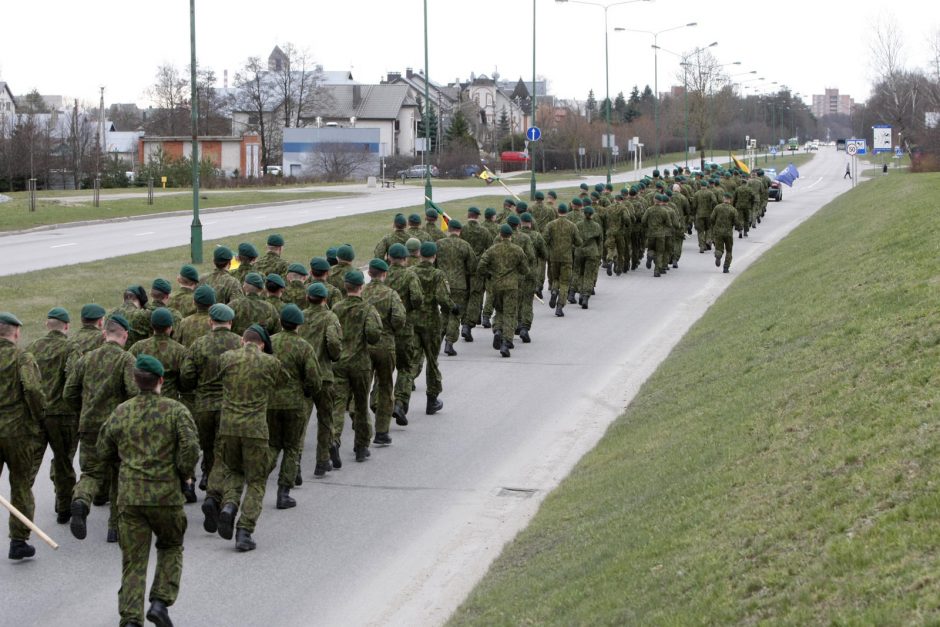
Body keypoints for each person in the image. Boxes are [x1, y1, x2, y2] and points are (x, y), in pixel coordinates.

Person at [97, 354, 198, 627]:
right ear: (160, 381)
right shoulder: (176, 410)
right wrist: (183, 473)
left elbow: (103, 449)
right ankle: (160, 601)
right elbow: (190, 446)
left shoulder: (121, 411)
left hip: (130, 498)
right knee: (171, 545)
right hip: (166, 495)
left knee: (133, 561)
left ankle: (130, 619)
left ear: (135, 380)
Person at [212, 324, 286, 552]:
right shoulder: (270, 363)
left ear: (243, 341)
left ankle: (229, 506)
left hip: (229, 426)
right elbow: (283, 382)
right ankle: (244, 530)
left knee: (232, 470)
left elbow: (218, 378)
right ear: (262, 344)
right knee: (256, 479)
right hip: (255, 428)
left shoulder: (227, 358)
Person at [65, 314, 138, 543]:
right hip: (116, 427)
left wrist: (83, 410)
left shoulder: (86, 359)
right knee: (119, 475)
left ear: (104, 333)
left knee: (91, 473)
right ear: (124, 335)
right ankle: (114, 527)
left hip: (89, 425)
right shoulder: (126, 359)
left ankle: (80, 501)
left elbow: (69, 392)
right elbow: (134, 393)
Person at [180, 303, 241, 518]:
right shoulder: (239, 343)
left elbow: (186, 376)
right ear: (230, 323)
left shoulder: (199, 344)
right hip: (228, 405)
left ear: (210, 322)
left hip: (203, 405)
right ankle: (215, 494)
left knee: (206, 447)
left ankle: (203, 476)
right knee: (222, 452)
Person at [25, 307, 80, 525]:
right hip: (63, 415)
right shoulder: (70, 349)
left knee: (31, 464)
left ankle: (21, 502)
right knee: (63, 462)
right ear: (66, 326)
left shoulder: (31, 348)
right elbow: (73, 382)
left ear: (47, 325)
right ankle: (64, 507)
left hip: (37, 414)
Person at [0, 312, 45, 560]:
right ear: (15, 332)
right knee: (21, 484)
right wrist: (38, 416)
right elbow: (33, 389)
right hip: (18, 431)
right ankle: (18, 540)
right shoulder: (22, 357)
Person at [268, 304, 321, 508]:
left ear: (281, 322)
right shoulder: (304, 346)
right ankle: (284, 492)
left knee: (273, 444)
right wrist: (307, 392)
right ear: (299, 325)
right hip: (295, 403)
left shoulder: (269, 342)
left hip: (271, 402)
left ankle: (258, 475)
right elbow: (314, 378)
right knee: (292, 447)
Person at [331, 270, 383, 462]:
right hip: (360, 363)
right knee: (360, 405)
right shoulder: (367, 309)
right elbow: (373, 334)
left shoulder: (336, 308)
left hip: (339, 363)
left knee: (337, 404)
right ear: (361, 287)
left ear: (346, 287)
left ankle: (334, 439)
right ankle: (361, 446)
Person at [299, 283, 343, 475]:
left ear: (307, 298)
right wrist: (335, 355)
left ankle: (295, 465)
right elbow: (333, 341)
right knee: (325, 419)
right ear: (325, 299)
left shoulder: (300, 316)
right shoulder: (329, 317)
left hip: (303, 377)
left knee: (301, 423)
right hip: (324, 374)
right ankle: (322, 460)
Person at [361, 259, 406, 444]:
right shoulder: (390, 294)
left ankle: (362, 430)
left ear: (369, 274)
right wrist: (390, 330)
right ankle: (381, 431)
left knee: (362, 389)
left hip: (363, 345)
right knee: (386, 387)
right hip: (385, 345)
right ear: (385, 274)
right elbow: (399, 317)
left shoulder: (361, 292)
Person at [411, 242, 458, 414]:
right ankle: (432, 400)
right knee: (432, 361)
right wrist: (452, 308)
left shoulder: (411, 273)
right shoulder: (437, 274)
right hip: (431, 322)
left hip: (413, 321)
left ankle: (402, 399)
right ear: (434, 256)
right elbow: (442, 297)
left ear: (419, 255)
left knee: (413, 358)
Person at [384, 243, 424, 426]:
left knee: (382, 371)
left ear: (389, 258)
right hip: (405, 328)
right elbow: (417, 298)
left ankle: (378, 402)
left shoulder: (383, 276)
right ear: (405, 259)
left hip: (385, 328)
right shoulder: (410, 275)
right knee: (405, 367)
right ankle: (400, 402)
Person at [476, 225, 528, 357]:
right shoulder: (517, 250)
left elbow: (481, 266)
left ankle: (498, 330)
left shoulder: (492, 250)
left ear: (500, 235)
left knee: (499, 310)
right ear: (511, 236)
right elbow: (525, 270)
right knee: (510, 314)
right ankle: (506, 342)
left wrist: (489, 274)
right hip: (511, 286)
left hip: (496, 285)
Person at [435, 220, 476, 356]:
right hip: (459, 285)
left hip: (442, 284)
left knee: (444, 312)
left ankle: (436, 342)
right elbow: (472, 267)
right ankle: (449, 342)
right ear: (460, 230)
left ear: (449, 229)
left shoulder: (439, 244)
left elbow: (433, 264)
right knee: (455, 314)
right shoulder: (465, 246)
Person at [543, 203, 583, 317]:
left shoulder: (550, 225)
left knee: (555, 278)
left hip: (554, 257)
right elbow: (579, 242)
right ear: (566, 212)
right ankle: (559, 306)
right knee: (565, 282)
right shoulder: (572, 226)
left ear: (558, 212)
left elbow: (544, 239)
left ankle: (554, 290)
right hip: (567, 258)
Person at [575, 205, 603, 309]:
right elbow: (600, 241)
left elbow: (575, 239)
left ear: (583, 214)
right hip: (592, 252)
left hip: (580, 252)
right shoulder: (597, 226)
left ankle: (581, 293)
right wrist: (600, 254)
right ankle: (586, 296)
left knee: (580, 273)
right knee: (589, 275)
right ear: (592, 214)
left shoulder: (578, 225)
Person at [710, 191, 742, 273]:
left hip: (718, 232)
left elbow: (712, 218)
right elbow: (736, 222)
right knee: (729, 250)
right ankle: (726, 267)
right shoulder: (733, 210)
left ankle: (718, 255)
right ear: (730, 200)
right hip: (728, 233)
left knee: (719, 248)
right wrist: (739, 228)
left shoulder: (717, 208)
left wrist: (714, 225)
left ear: (723, 198)